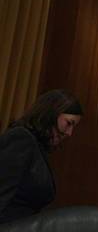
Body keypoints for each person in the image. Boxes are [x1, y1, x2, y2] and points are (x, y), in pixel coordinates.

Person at [0, 89, 82, 223]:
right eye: (69, 123)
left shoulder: (36, 146)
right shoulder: (21, 138)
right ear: (51, 114)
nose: (70, 133)